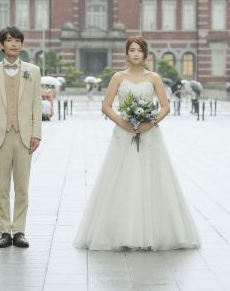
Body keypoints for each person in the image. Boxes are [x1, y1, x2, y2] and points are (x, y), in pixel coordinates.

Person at [74, 36, 200, 251]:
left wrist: (151, 123)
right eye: (131, 50)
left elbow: (165, 107)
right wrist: (123, 123)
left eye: (139, 50)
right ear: (126, 53)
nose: (135, 54)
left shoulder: (154, 78)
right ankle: (120, 231)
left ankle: (155, 232)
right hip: (123, 135)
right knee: (122, 177)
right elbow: (106, 106)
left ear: (145, 54)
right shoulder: (118, 77)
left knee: (151, 178)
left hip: (149, 135)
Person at [0, 26, 42, 249]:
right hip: (0, 137)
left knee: (23, 187)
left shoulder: (33, 71)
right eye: (9, 40)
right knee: (2, 186)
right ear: (1, 45)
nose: (14, 44)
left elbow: (37, 104)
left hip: (25, 136)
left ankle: (20, 231)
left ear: (21, 44)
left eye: (17, 40)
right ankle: (4, 231)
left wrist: (37, 133)